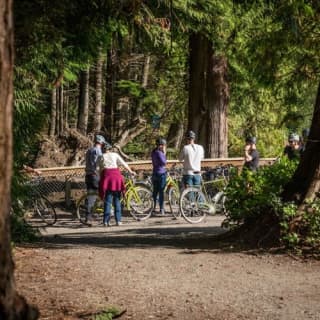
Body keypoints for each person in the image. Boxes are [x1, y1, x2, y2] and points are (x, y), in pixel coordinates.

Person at [98, 142, 136, 227]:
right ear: (110, 149)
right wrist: (131, 171)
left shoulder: (101, 157)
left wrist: (100, 178)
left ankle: (106, 221)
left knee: (108, 201)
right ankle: (118, 220)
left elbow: (100, 169)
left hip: (107, 177)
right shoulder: (115, 154)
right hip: (116, 177)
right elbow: (124, 164)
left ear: (102, 149)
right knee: (117, 200)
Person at [85, 134, 106, 224]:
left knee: (90, 196)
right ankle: (108, 212)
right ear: (101, 143)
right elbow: (98, 164)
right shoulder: (98, 151)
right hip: (95, 175)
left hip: (88, 175)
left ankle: (88, 216)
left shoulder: (89, 150)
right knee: (103, 193)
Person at [151, 137, 167, 215]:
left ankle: (153, 208)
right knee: (161, 192)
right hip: (161, 173)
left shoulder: (153, 152)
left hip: (154, 173)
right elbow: (164, 162)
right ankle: (161, 209)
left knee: (155, 191)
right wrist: (164, 153)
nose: (164, 146)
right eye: (164, 145)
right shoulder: (159, 153)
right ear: (161, 145)